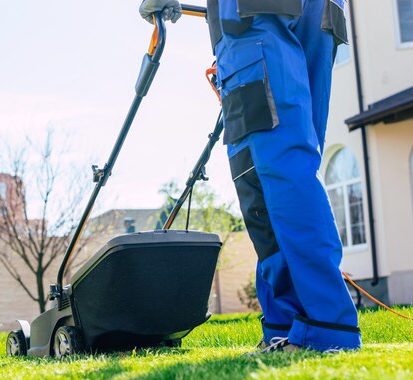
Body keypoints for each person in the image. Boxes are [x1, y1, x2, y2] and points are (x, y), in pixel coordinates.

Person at [139, 0, 360, 353]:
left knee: (266, 171)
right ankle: (287, 326)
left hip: (254, 16)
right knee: (292, 165)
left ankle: (324, 325)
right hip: (321, 16)